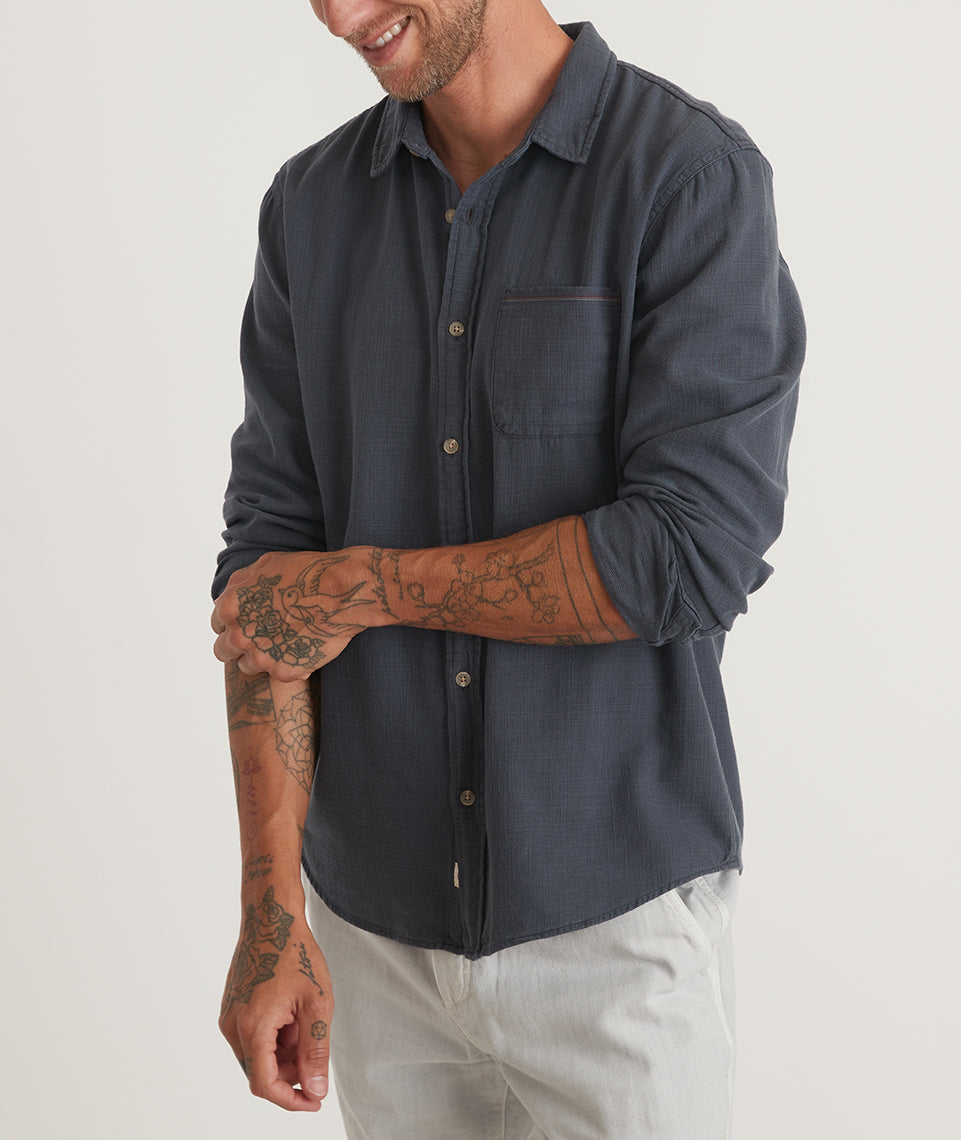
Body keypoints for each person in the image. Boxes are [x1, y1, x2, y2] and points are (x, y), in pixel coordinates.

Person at [211, 1, 804, 1135]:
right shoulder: (310, 207)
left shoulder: (685, 177)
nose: (338, 15)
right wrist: (269, 917)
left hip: (613, 934)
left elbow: (686, 555)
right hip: (375, 939)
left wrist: (365, 586)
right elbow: (265, 589)